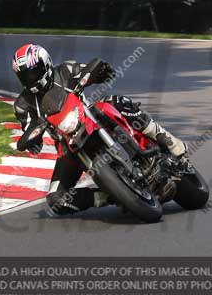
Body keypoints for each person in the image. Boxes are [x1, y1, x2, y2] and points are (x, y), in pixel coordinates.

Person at [12, 43, 187, 216]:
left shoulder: (64, 70)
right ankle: (111, 196)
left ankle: (167, 139)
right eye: (24, 76)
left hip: (89, 118)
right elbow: (28, 127)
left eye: (33, 72)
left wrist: (99, 71)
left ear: (45, 64)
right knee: (56, 199)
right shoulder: (22, 104)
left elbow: (85, 70)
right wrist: (32, 141)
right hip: (66, 146)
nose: (30, 78)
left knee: (114, 102)